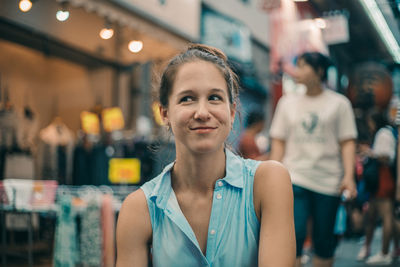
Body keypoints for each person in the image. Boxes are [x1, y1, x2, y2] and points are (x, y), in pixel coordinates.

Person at [116, 44, 296, 267]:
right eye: (187, 99)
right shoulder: (139, 208)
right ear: (165, 114)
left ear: (231, 113)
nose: (202, 113)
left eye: (214, 98)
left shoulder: (268, 182)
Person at [269, 52, 357, 267]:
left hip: (328, 180)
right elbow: (279, 141)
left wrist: (349, 176)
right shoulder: (287, 103)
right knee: (293, 236)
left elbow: (347, 142)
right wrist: (272, 173)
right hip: (294, 177)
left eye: (303, 66)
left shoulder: (339, 104)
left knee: (324, 239)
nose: (297, 71)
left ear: (319, 71)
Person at [357, 111, 397, 265]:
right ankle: (381, 250)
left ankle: (385, 251)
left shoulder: (383, 134)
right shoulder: (386, 132)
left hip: (383, 178)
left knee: (386, 215)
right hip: (380, 179)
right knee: (374, 215)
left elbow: (386, 156)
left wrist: (370, 153)